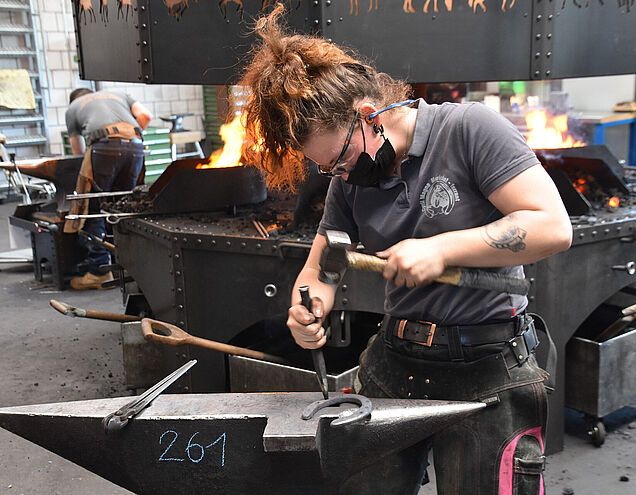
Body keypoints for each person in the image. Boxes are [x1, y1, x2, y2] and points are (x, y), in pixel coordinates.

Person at [240, 5, 572, 494]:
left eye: (340, 159)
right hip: (395, 364)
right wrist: (308, 307)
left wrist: (442, 249)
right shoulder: (351, 178)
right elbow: (323, 263)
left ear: (365, 115)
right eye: (329, 170)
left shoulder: (469, 130)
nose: (342, 175)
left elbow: (551, 227)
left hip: (488, 366)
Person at [64, 88, 152, 290]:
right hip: (137, 145)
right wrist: (129, 139)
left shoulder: (73, 108)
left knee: (94, 207)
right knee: (125, 206)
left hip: (104, 147)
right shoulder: (120, 94)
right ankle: (133, 265)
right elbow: (145, 116)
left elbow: (77, 149)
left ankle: (99, 272)